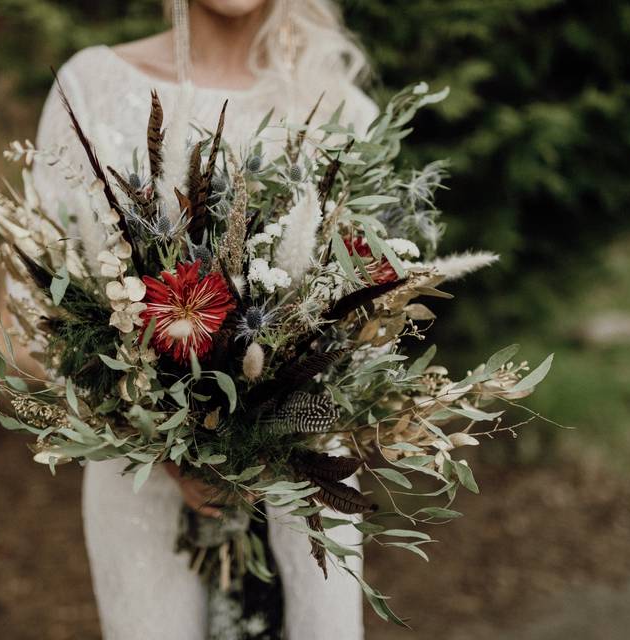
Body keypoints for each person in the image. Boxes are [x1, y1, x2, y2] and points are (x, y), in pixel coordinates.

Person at [28, 1, 380, 637]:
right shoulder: (92, 90)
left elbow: (372, 324)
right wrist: (167, 446)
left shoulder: (342, 112)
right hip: (144, 495)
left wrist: (272, 436)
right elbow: (36, 319)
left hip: (308, 499)